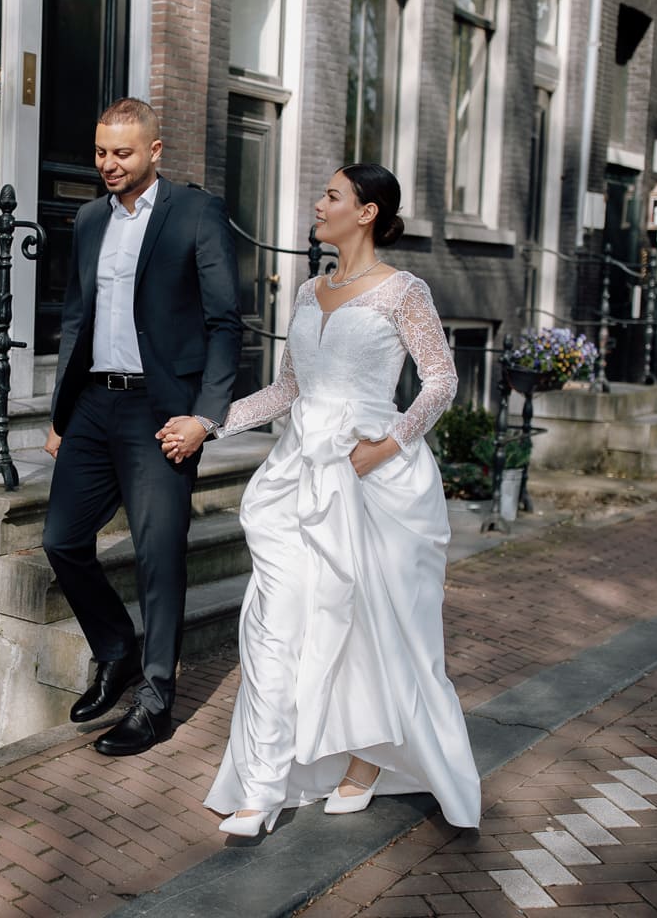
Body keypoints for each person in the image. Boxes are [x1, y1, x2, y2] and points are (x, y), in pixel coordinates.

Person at [159, 164, 480, 834]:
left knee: (373, 633)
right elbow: (286, 392)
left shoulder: (403, 292)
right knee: (279, 627)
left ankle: (365, 759)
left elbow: (441, 381)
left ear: (366, 213)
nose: (318, 202)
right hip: (299, 479)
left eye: (332, 195)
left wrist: (386, 444)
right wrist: (208, 422)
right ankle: (263, 787)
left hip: (374, 481)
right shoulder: (308, 292)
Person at [42, 97, 242, 757]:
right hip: (96, 404)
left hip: (163, 414)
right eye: (100, 152)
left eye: (121, 153)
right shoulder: (89, 219)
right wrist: (61, 414)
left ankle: (156, 702)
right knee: (63, 540)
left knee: (158, 558)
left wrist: (205, 418)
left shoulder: (196, 212)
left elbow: (223, 323)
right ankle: (116, 649)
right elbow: (77, 318)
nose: (107, 164)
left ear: (155, 151)